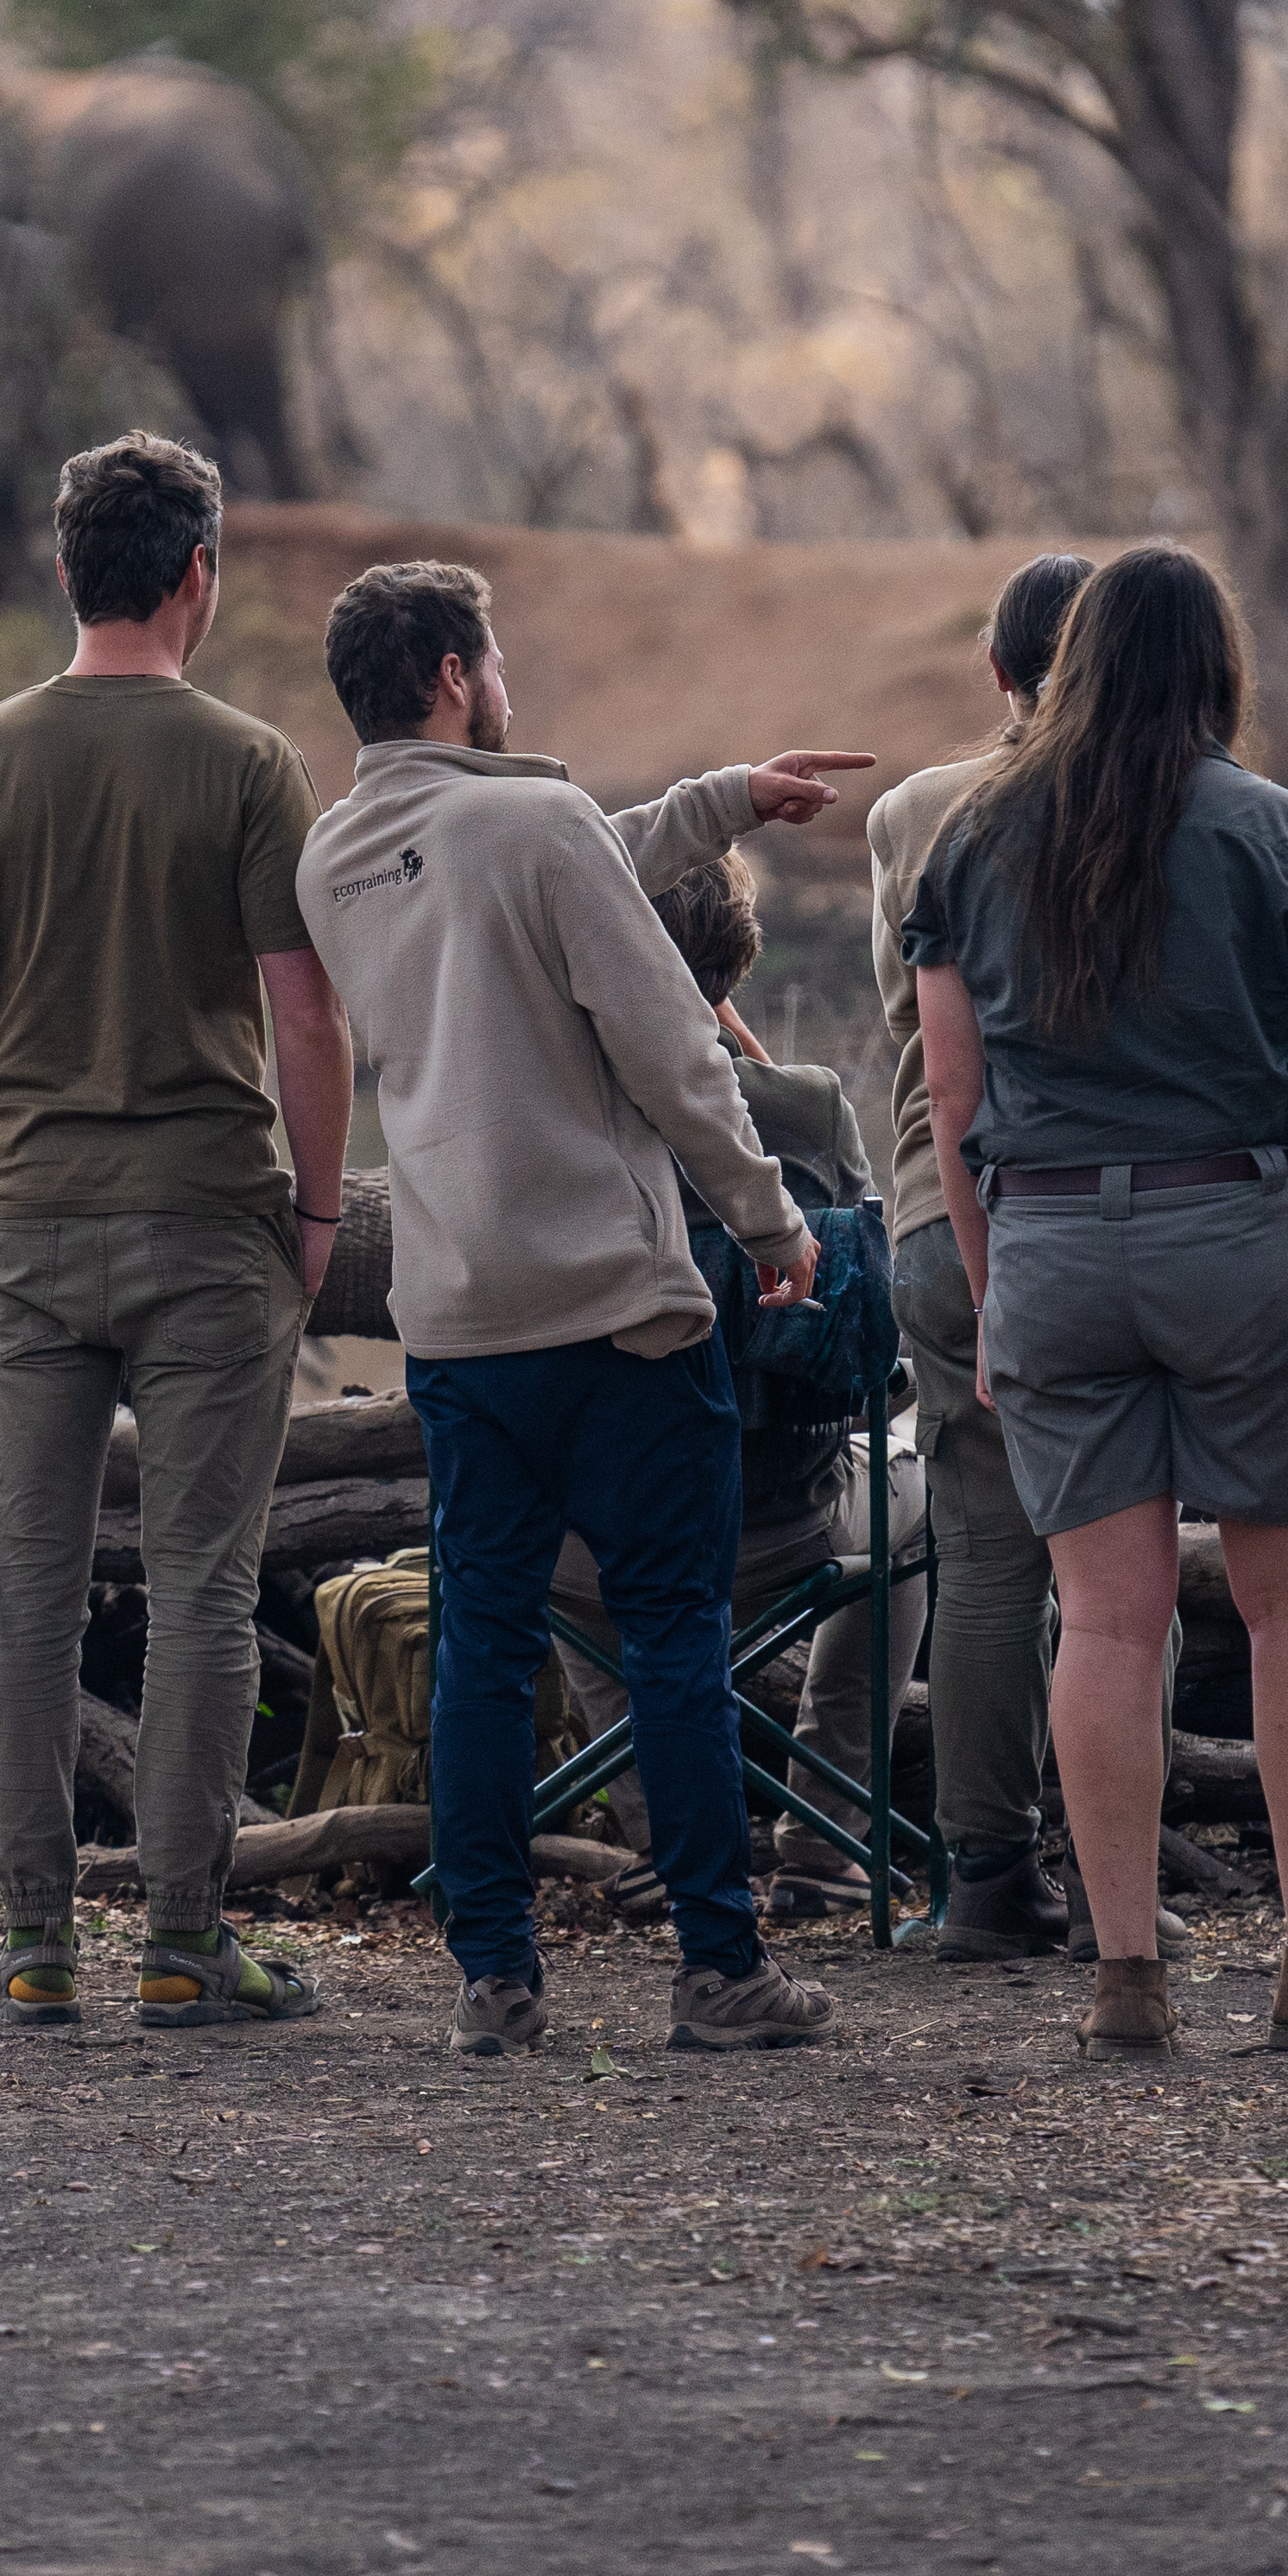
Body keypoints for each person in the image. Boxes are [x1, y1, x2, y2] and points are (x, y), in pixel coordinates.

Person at [302, 556, 868, 2056]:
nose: (509, 684)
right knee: (675, 1636)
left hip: (461, 1323)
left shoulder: (340, 857)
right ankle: (721, 1970)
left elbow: (550, 872)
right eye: (496, 660)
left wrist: (719, 800)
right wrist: (770, 1221)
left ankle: (494, 1980)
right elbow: (677, 1050)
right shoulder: (529, 822)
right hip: (622, 1317)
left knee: (487, 1638)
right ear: (448, 674)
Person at [904, 544, 1288, 2057]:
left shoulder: (974, 832)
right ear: (1216, 668)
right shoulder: (1278, 833)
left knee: (1106, 1624)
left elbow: (948, 1094)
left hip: (1053, 1247)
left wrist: (997, 1298)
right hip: (1243, 1232)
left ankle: (1126, 1975)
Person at [0, 432, 350, 2035]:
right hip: (211, 1218)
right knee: (204, 1592)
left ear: (63, 571)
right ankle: (183, 1939)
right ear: (196, 573)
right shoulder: (248, 760)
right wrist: (316, 1203)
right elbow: (308, 1021)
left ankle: (31, 1945)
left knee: (25, 1592)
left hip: (27, 1224)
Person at [548, 850, 921, 1911]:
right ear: (737, 962)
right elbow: (863, 1327)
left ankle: (663, 1831)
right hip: (781, 1524)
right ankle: (825, 1832)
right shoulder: (804, 1107)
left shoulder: (559, 1121)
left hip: (593, 1539)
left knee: (571, 1544)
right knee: (920, 1506)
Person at [863, 552, 1094, 1961]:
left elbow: (917, 1027)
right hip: (1095, 1213)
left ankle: (986, 1877)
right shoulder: (1151, 809)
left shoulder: (907, 811)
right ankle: (1108, 1859)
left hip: (927, 1215)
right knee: (1119, 1556)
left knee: (983, 1554)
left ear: (995, 676)